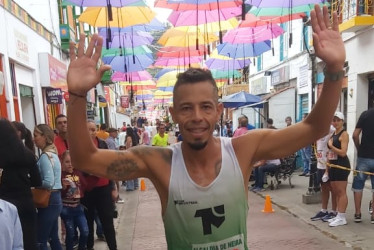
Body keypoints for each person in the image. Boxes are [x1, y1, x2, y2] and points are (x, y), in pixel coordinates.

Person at [66, 6, 345, 248]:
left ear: (218, 111)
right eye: (186, 108)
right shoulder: (158, 161)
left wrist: (333, 70)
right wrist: (77, 97)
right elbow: (84, 158)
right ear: (174, 114)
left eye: (206, 106)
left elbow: (315, 127)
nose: (197, 116)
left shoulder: (243, 149)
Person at [0, 119, 41, 250]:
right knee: (29, 242)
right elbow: (37, 182)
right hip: (26, 203)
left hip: (4, 206)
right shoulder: (27, 154)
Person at [81, 120, 117, 250]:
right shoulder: (80, 146)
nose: (91, 132)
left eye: (93, 129)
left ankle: (113, 247)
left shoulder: (103, 144)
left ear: (96, 131)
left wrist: (113, 188)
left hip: (103, 188)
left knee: (107, 222)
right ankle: (89, 246)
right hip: (87, 190)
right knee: (88, 223)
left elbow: (109, 166)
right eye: (88, 129)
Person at [33, 124, 63, 250]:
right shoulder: (53, 154)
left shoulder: (45, 156)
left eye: (36, 136)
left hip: (49, 198)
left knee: (40, 240)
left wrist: (33, 183)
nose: (34, 139)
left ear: (44, 137)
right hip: (55, 198)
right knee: (53, 237)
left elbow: (48, 182)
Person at [60, 150, 89, 250]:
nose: (70, 164)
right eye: (67, 162)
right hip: (66, 209)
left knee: (85, 231)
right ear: (62, 162)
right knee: (70, 233)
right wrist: (63, 187)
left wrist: (79, 187)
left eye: (72, 162)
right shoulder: (61, 175)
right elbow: (59, 193)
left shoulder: (78, 173)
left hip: (78, 207)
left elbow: (85, 186)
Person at [326, 112, 350, 227]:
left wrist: (331, 146)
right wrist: (327, 168)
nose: (335, 122)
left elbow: (343, 153)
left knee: (341, 191)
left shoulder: (344, 134)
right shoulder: (333, 135)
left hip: (342, 164)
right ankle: (338, 215)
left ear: (342, 121)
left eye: (337, 120)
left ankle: (342, 216)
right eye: (334, 120)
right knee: (335, 191)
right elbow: (330, 154)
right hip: (333, 165)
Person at [351, 108, 374, 223]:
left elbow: (355, 135)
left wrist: (359, 149)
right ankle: (373, 216)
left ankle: (358, 213)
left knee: (358, 185)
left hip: (364, 157)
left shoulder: (365, 114)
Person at [310, 125, 337, 222]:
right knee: (324, 188)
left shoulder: (331, 130)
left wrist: (327, 169)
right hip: (320, 164)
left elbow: (331, 148)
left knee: (332, 189)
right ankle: (324, 210)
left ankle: (334, 211)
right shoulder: (318, 132)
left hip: (328, 164)